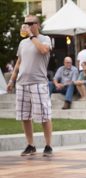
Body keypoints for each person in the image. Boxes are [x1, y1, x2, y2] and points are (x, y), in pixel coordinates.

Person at [6, 15, 53, 157]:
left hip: (39, 82)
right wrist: (12, 80)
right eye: (25, 23)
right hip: (22, 83)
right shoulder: (23, 43)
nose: (27, 25)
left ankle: (48, 145)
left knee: (44, 116)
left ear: (37, 25)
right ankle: (30, 145)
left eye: (30, 23)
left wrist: (32, 36)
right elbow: (19, 63)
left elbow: (43, 50)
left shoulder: (45, 39)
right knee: (24, 116)